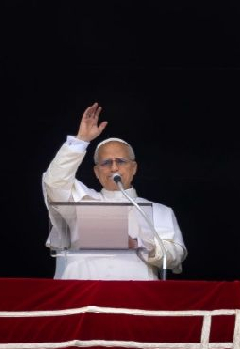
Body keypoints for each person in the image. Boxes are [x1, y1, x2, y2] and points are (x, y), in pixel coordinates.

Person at [43, 103, 187, 280]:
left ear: (134, 168)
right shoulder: (79, 203)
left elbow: (175, 255)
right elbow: (55, 181)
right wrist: (81, 140)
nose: (114, 168)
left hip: (136, 295)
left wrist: (140, 245)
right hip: (84, 293)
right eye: (106, 163)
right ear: (96, 172)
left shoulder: (159, 211)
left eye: (121, 161)